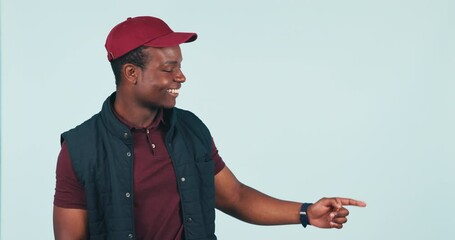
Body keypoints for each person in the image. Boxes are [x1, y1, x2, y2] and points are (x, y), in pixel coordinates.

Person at [53, 16, 366, 240]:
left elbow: (235, 197)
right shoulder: (80, 148)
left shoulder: (190, 128)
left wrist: (306, 212)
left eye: (180, 65)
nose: (181, 77)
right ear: (132, 73)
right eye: (168, 68)